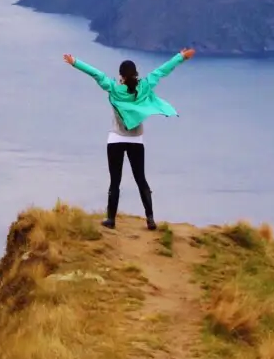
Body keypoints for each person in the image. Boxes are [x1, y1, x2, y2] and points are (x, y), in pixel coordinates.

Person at [63, 47, 195, 230]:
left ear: (121, 75)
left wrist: (74, 62)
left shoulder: (114, 89)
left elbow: (96, 74)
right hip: (136, 140)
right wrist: (181, 57)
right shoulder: (145, 86)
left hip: (116, 139)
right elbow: (163, 70)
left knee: (115, 181)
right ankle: (150, 219)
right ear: (135, 74)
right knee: (141, 179)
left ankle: (110, 220)